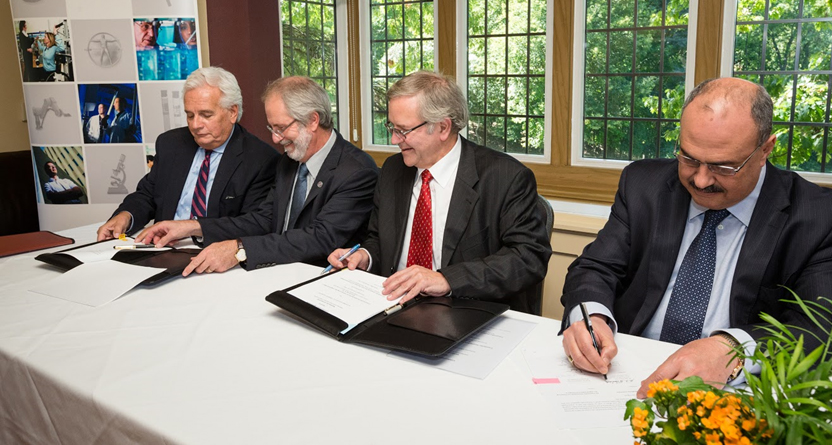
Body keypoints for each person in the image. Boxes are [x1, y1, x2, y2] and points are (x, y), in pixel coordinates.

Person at [560, 77, 832, 397]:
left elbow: (823, 327)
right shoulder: (643, 184)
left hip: (737, 389)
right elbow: (595, 268)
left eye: (723, 167)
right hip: (627, 370)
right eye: (688, 158)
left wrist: (733, 348)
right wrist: (591, 316)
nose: (700, 181)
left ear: (765, 150)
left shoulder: (818, 215)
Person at [325, 71, 551, 314]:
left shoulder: (505, 178)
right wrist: (365, 257)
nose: (393, 139)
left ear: (443, 127)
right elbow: (379, 239)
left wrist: (447, 280)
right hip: (392, 306)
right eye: (391, 126)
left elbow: (528, 258)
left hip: (465, 310)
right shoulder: (393, 170)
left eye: (403, 130)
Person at [137, 76, 379, 276]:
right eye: (271, 128)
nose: (275, 139)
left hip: (319, 279)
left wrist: (240, 249)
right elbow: (264, 219)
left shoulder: (356, 171)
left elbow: (320, 238)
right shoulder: (290, 161)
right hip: (274, 273)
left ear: (313, 120)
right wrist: (193, 227)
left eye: (281, 128)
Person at [97, 67, 279, 240]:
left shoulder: (260, 159)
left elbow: (253, 224)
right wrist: (126, 215)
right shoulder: (171, 144)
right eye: (190, 115)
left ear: (232, 112)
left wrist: (194, 226)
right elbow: (148, 194)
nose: (195, 125)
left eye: (206, 115)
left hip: (215, 251)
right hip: (162, 248)